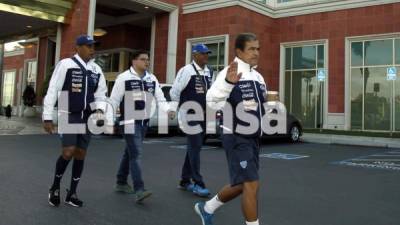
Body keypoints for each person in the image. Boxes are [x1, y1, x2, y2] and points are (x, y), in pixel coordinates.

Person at [195, 33, 266, 225]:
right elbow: (211, 102)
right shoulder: (228, 73)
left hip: (253, 138)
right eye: (251, 48)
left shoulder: (258, 76)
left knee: (242, 184)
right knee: (251, 183)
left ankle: (207, 208)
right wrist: (228, 84)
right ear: (239, 51)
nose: (256, 53)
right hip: (235, 136)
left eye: (258, 48)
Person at [43, 35, 107, 207]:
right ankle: (55, 187)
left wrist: (100, 111)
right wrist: (47, 116)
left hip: (87, 117)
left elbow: (101, 94)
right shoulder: (66, 64)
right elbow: (53, 90)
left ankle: (72, 193)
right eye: (88, 46)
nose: (92, 50)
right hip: (68, 112)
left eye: (93, 46)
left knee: (80, 153)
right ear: (78, 47)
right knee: (68, 151)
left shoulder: (96, 70)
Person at [110, 50, 175, 203]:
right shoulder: (123, 78)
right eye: (143, 59)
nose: (147, 62)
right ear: (134, 61)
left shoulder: (152, 79)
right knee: (136, 153)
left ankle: (120, 182)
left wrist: (168, 110)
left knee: (130, 153)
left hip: (144, 122)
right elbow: (113, 100)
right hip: (128, 122)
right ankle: (139, 189)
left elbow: (160, 98)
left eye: (148, 59)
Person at [170, 43, 213, 197]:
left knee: (195, 148)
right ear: (195, 55)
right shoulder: (186, 70)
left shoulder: (209, 71)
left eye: (207, 53)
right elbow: (174, 92)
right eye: (203, 54)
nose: (206, 56)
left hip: (203, 115)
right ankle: (198, 183)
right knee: (195, 147)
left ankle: (184, 180)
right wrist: (183, 108)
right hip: (189, 115)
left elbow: (210, 93)